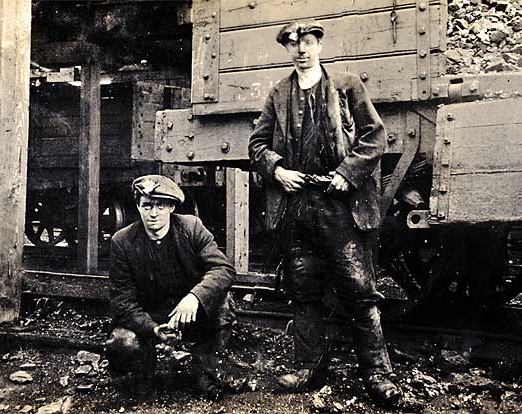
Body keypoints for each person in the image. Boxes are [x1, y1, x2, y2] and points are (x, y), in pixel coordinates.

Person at [248, 20, 401, 405]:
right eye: (293, 44)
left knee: (360, 292)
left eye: (308, 42)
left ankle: (379, 377)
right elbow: (257, 144)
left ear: (319, 45)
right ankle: (309, 369)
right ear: (286, 49)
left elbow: (374, 136)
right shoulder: (279, 93)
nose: (301, 50)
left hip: (340, 207)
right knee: (303, 291)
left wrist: (348, 175)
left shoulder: (347, 86)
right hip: (298, 207)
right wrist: (278, 170)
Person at [105, 175, 236, 400]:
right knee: (122, 342)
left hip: (189, 314)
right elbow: (122, 300)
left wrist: (195, 297)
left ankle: (204, 370)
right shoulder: (122, 241)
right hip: (149, 316)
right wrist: (153, 328)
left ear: (172, 207)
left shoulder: (191, 227)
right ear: (138, 206)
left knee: (223, 305)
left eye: (160, 206)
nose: (153, 213)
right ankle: (141, 375)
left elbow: (223, 269)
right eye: (146, 206)